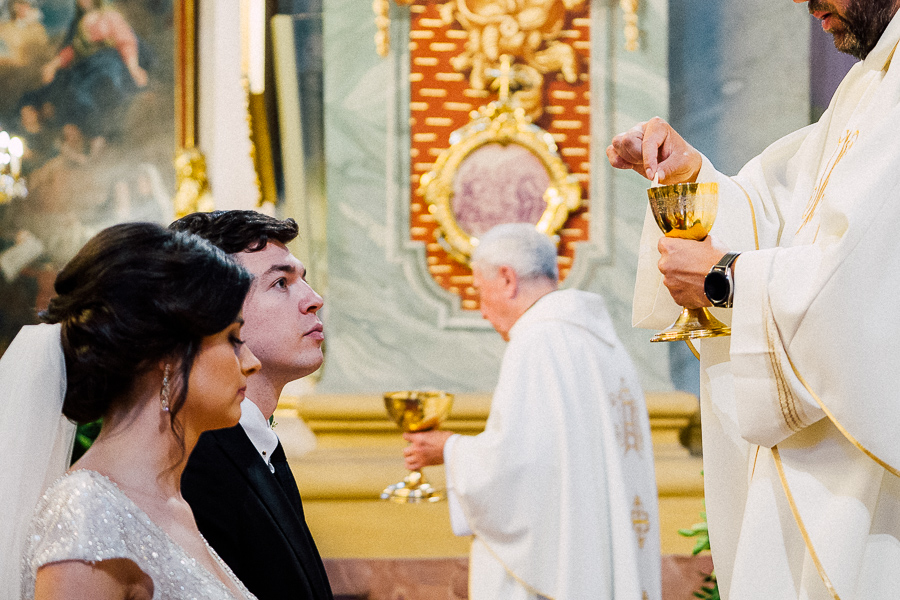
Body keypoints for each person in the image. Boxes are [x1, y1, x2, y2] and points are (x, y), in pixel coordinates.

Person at [606, 1, 900, 598]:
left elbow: (872, 285)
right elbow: (790, 215)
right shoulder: (870, 83)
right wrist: (693, 181)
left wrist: (726, 278)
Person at [0, 222, 262, 599]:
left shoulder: (173, 505)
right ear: (166, 354)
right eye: (233, 339)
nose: (251, 362)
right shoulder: (87, 511)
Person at [403, 223, 661, 600]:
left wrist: (449, 449)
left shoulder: (539, 339)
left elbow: (519, 469)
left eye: (479, 291)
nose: (482, 311)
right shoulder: (603, 342)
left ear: (507, 279)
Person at [171, 210, 333, 600]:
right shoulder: (196, 462)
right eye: (281, 283)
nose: (314, 300)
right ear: (216, 311)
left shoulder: (256, 442)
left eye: (303, 279)